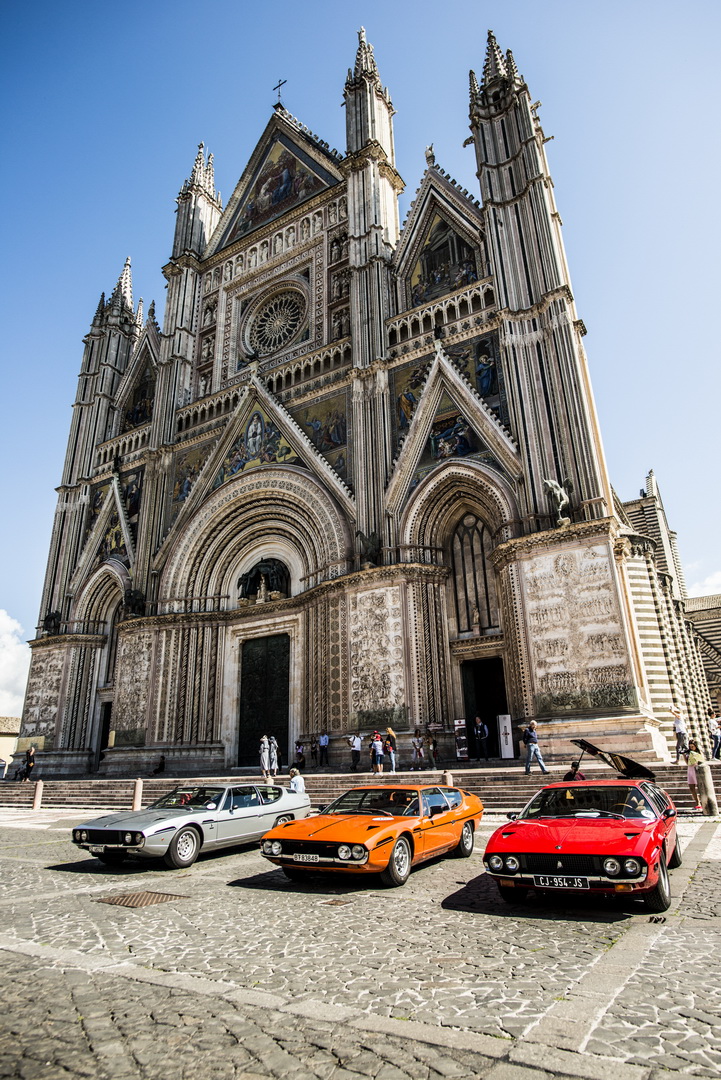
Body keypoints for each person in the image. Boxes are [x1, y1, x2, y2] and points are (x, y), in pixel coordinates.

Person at [683, 739, 704, 810]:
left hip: (697, 769)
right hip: (690, 769)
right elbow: (687, 763)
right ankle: (697, 802)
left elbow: (701, 760)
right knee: (691, 787)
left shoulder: (698, 753)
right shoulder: (689, 753)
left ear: (696, 746)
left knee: (700, 786)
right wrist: (684, 755)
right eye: (690, 746)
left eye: (692, 746)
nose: (691, 748)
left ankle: (703, 801)